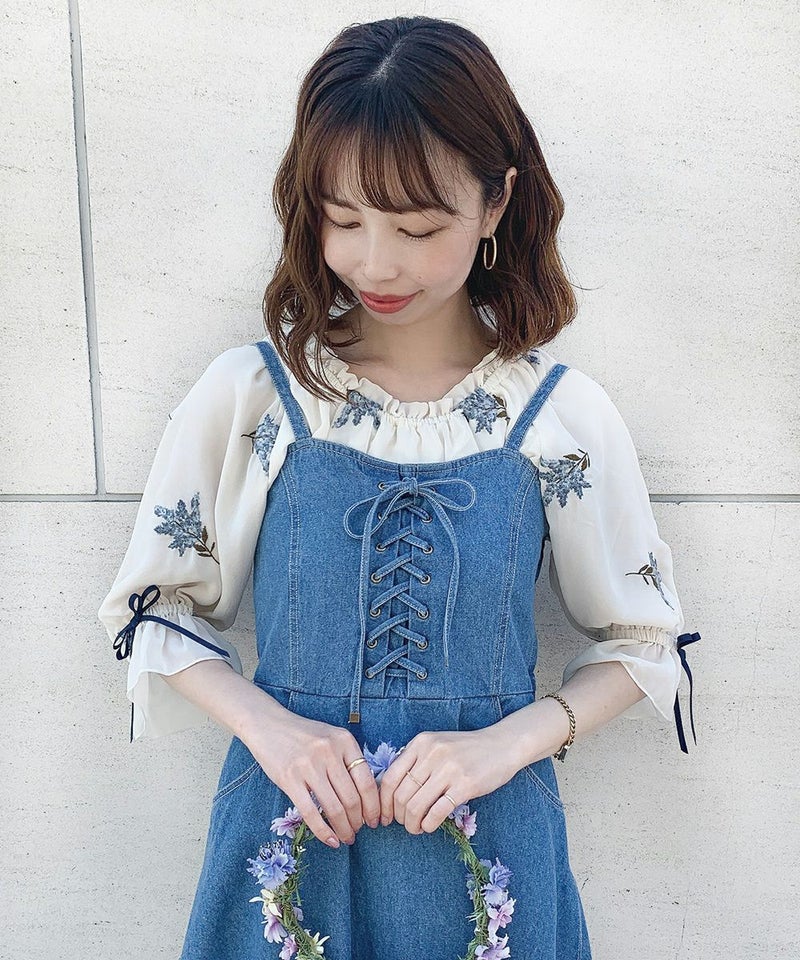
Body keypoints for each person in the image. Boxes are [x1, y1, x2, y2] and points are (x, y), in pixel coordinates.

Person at [98, 15, 700, 960]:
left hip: (493, 855)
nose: (375, 263)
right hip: (288, 840)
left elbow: (644, 641)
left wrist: (507, 742)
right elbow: (154, 610)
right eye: (343, 220)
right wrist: (271, 730)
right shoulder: (256, 395)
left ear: (497, 203)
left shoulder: (557, 416)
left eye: (418, 228)